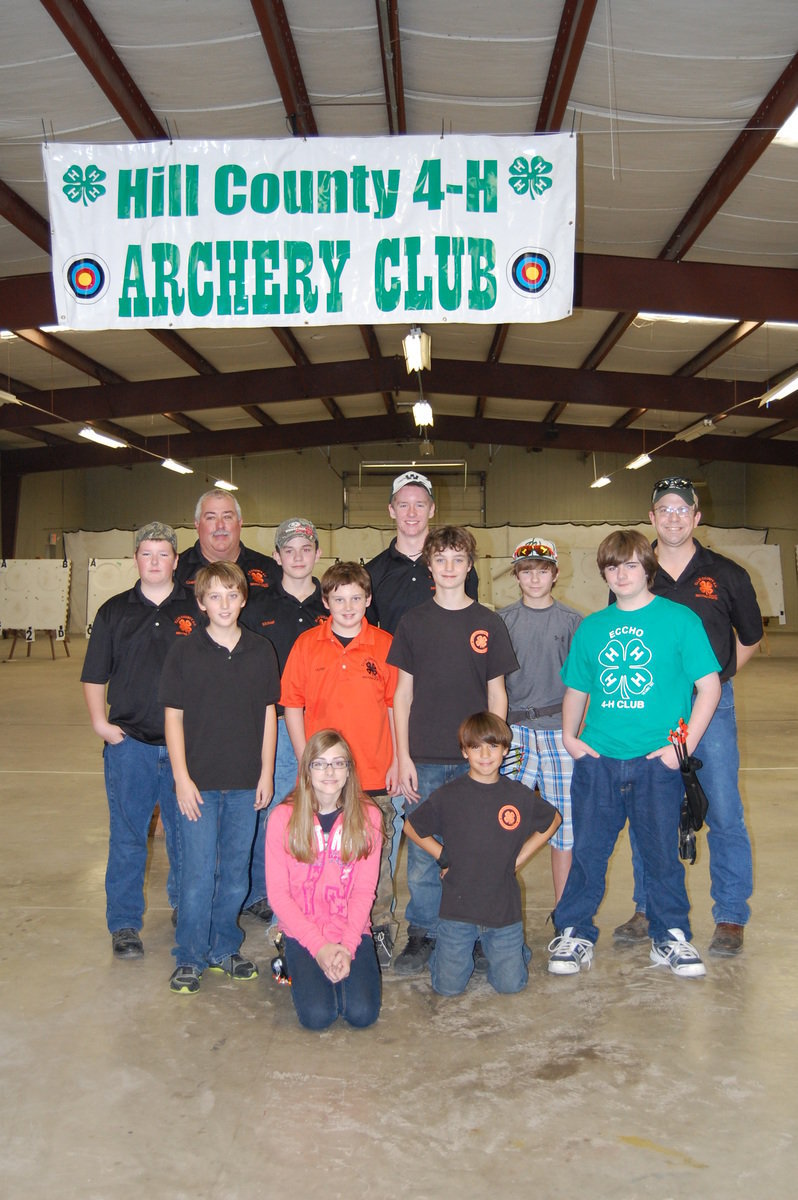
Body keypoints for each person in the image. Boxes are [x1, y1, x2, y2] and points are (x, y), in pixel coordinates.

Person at [548, 531, 721, 979]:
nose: (621, 575)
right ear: (603, 572)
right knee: (588, 852)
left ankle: (671, 937)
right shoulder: (593, 627)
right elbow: (577, 688)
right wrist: (570, 738)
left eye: (629, 566)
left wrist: (680, 749)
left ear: (648, 568)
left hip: (656, 764)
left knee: (660, 855)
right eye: (612, 567)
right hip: (599, 761)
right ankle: (574, 933)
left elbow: (709, 687)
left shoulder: (680, 620)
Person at [613, 477, 763, 957]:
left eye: (683, 509)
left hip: (711, 710)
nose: (674, 516)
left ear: (697, 517)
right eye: (664, 509)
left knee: (723, 809)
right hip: (648, 710)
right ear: (652, 517)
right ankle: (648, 906)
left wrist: (712, 684)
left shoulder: (726, 574)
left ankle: (731, 914)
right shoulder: (634, 571)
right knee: (649, 812)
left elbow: (751, 637)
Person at [388, 526, 519, 976]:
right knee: (425, 856)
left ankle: (478, 931)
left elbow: (496, 693)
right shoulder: (413, 622)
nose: (448, 568)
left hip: (475, 760)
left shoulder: (488, 622)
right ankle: (424, 932)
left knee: (476, 850)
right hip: (422, 758)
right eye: (440, 559)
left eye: (457, 559)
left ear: (469, 566)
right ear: (429, 566)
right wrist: (401, 755)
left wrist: (494, 749)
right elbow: (400, 696)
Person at [81, 522, 200, 959]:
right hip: (128, 745)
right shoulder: (114, 611)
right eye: (146, 554)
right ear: (136, 559)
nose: (155, 562)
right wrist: (101, 724)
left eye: (163, 554)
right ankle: (125, 923)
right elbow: (95, 673)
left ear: (175, 560)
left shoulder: (197, 607)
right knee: (129, 837)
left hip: (182, 749)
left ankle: (184, 906)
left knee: (187, 837)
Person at [159, 563, 279, 994]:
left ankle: (223, 948)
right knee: (196, 874)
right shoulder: (184, 653)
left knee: (234, 874)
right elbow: (173, 718)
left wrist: (266, 772)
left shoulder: (261, 649)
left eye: (232, 595)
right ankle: (189, 955)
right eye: (215, 596)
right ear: (201, 602)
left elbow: (269, 714)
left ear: (244, 599)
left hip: (246, 783)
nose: (224, 604)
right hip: (200, 785)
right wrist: (181, 778)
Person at [280, 561, 400, 967]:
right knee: (315, 858)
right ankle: (309, 927)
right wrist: (304, 760)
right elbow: (292, 705)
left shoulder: (385, 645)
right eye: (338, 599)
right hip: (323, 779)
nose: (347, 607)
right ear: (325, 601)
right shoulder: (306, 645)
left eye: (355, 598)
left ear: (368, 600)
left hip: (372, 773)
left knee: (373, 859)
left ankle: (377, 925)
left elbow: (395, 708)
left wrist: (399, 760)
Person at [405, 712, 561, 996]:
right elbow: (411, 827)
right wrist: (443, 855)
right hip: (457, 911)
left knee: (510, 986)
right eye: (476, 747)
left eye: (493, 746)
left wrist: (519, 858)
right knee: (447, 988)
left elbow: (552, 820)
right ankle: (449, 951)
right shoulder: (449, 795)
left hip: (502, 911)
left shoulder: (519, 795)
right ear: (464, 752)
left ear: (505, 750)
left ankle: (512, 950)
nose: (485, 754)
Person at [238, 517, 326, 921]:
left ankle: (319, 890)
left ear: (317, 554)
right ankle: (263, 893)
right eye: (288, 550)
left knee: (322, 812)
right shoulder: (255, 608)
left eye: (305, 550)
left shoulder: (336, 600)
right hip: (272, 724)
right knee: (271, 812)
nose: (297, 557)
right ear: (276, 557)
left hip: (327, 724)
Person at [265, 730, 383, 1030]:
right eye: (319, 763)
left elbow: (364, 891)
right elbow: (278, 896)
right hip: (302, 931)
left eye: (338, 763)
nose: (329, 772)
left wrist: (348, 946)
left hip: (350, 930)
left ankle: (340, 961)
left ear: (348, 770)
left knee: (361, 1014)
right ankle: (289, 958)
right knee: (319, 1017)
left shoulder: (369, 817)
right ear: (307, 770)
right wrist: (318, 948)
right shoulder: (282, 818)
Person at [498, 537, 582, 904]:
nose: (534, 578)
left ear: (555, 574)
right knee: (501, 819)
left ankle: (564, 910)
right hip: (514, 733)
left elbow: (584, 685)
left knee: (564, 825)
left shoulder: (572, 622)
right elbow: (493, 683)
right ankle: (494, 900)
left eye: (542, 571)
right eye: (527, 571)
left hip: (559, 733)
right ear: (516, 576)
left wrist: (575, 733)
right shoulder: (502, 621)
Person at [366, 470, 478, 635]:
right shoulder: (372, 572)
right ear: (391, 510)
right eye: (403, 505)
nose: (412, 513)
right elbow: (368, 634)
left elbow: (472, 623)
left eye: (420, 504)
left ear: (431, 509)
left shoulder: (456, 568)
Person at [175, 488, 281, 596]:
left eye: (227, 517)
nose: (220, 525)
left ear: (240, 523)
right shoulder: (175, 571)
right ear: (197, 524)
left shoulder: (271, 570)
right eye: (211, 518)